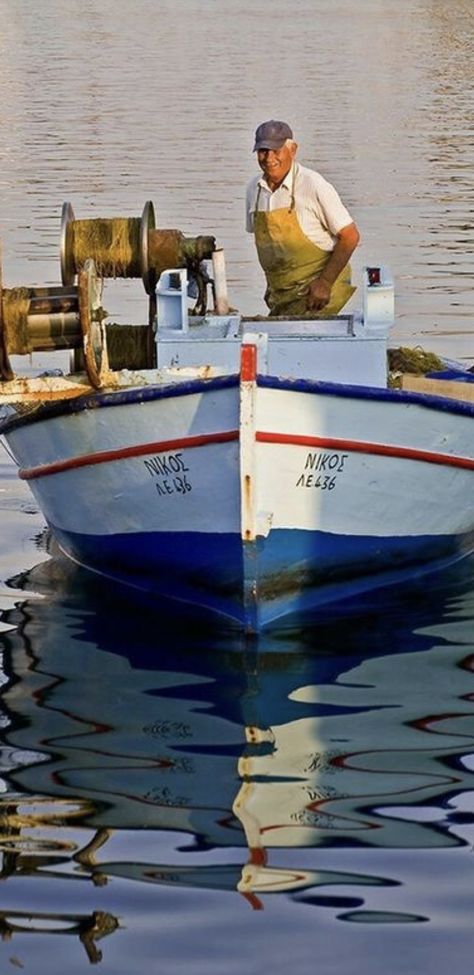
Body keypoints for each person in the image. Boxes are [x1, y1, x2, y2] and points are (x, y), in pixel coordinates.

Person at [246, 120, 360, 318]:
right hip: (282, 295)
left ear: (293, 150)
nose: (269, 158)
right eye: (263, 151)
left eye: (276, 150)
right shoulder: (254, 190)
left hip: (318, 294)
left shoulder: (312, 184)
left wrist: (325, 282)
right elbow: (271, 249)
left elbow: (350, 236)